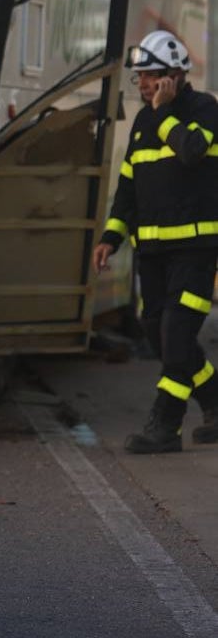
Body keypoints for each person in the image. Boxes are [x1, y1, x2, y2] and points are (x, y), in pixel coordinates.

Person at [93, 30, 218, 453]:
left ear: (175, 75)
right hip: (153, 255)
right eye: (140, 77)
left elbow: (192, 150)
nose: (143, 84)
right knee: (161, 335)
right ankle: (216, 401)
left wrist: (164, 113)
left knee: (177, 336)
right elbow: (128, 188)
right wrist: (112, 237)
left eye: (151, 76)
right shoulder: (143, 122)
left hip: (196, 252)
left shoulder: (203, 109)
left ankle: (166, 426)